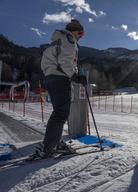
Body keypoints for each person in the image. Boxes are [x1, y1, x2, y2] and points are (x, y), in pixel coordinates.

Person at [33, 19, 88, 159]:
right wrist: (75, 77)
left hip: (49, 77)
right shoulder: (69, 39)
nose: (81, 36)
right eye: (80, 32)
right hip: (60, 78)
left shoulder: (56, 40)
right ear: (73, 31)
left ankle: (52, 143)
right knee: (61, 114)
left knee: (58, 112)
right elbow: (65, 62)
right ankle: (50, 147)